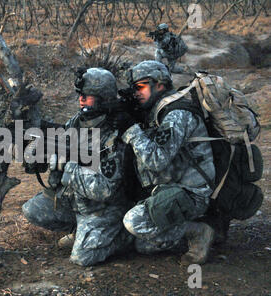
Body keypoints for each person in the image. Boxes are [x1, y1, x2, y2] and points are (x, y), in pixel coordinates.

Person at [22, 68, 136, 267]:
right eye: (80, 95)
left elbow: (104, 190)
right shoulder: (78, 121)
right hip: (79, 200)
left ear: (103, 98)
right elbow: (62, 144)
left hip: (106, 208)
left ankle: (125, 235)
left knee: (82, 258)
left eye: (87, 96)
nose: (81, 99)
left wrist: (67, 166)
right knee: (33, 210)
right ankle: (81, 229)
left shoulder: (115, 133)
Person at [119, 60, 216, 264]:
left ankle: (199, 231)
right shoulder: (157, 109)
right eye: (133, 88)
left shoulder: (176, 113)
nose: (136, 93)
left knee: (134, 222)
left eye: (140, 87)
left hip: (192, 193)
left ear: (160, 84)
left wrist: (131, 129)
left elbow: (156, 160)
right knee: (144, 246)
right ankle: (203, 225)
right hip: (170, 187)